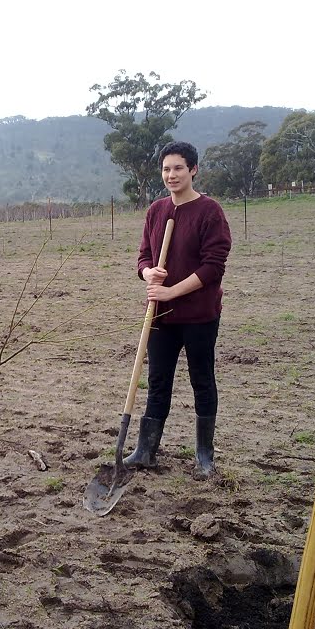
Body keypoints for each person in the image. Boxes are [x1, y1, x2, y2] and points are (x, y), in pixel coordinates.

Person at [124, 140, 231, 480]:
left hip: (199, 314)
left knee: (202, 381)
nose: (171, 175)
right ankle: (145, 450)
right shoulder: (155, 211)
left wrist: (172, 290)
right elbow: (143, 256)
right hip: (161, 317)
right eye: (167, 169)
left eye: (178, 168)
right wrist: (148, 273)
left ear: (193, 170)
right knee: (157, 382)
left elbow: (213, 267)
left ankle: (204, 455)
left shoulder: (209, 212)